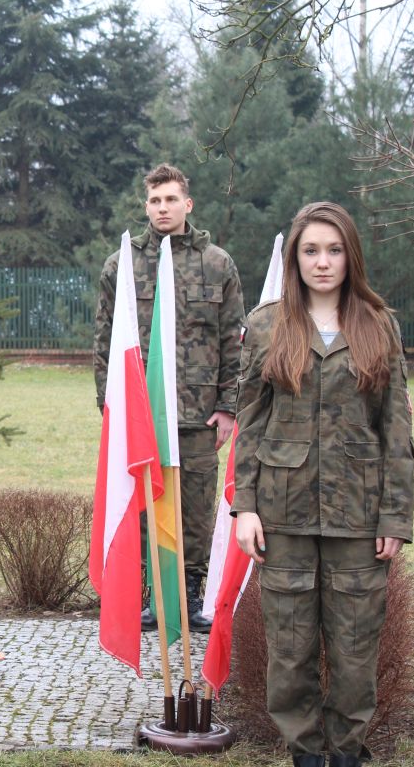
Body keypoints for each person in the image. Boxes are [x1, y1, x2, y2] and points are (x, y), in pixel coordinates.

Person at [232, 201, 414, 767]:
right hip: (281, 515)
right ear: (295, 258)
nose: (322, 262)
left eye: (334, 250)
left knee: (356, 652)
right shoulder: (268, 325)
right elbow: (250, 423)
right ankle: (305, 753)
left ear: (350, 256)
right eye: (310, 250)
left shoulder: (378, 325)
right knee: (289, 651)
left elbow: (396, 429)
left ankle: (346, 752)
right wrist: (244, 507)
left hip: (358, 516)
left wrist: (395, 517)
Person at [94, 163, 244, 633]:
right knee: (142, 505)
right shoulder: (121, 264)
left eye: (171, 199)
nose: (163, 208)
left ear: (187, 204)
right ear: (146, 206)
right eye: (155, 201)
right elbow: (105, 341)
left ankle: (191, 594)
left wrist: (228, 407)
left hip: (198, 415)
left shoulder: (216, 263)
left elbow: (234, 341)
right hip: (140, 415)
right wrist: (109, 408)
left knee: (195, 509)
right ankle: (153, 595)